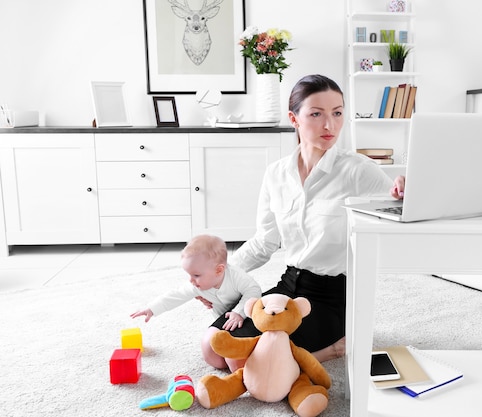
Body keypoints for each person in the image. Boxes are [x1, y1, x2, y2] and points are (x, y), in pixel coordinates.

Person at [196, 74, 405, 364]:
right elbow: (264, 242)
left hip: (332, 295)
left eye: (337, 113)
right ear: (294, 119)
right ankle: (304, 356)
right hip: (289, 286)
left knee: (243, 361)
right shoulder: (276, 174)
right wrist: (217, 277)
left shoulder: (358, 170)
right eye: (316, 114)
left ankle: (331, 350)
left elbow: (402, 206)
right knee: (213, 348)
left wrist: (404, 190)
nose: (329, 125)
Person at [130, 234, 261, 370]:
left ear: (219, 270)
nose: (191, 280)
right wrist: (151, 308)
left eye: (196, 275)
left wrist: (239, 313)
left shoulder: (235, 276)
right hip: (225, 320)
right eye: (189, 275)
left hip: (246, 316)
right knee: (214, 358)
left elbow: (254, 290)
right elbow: (176, 295)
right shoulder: (196, 285)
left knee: (240, 352)